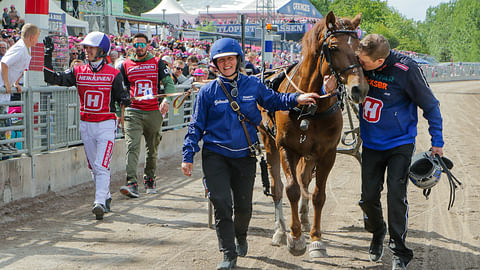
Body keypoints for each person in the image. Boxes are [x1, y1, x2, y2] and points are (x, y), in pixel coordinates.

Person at [181, 38, 321, 270]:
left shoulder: (252, 86)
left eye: (230, 58)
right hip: (215, 155)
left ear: (238, 59)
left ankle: (241, 236)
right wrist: (188, 154)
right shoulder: (207, 92)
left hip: (244, 155)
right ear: (215, 64)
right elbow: (195, 126)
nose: (226, 63)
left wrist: (297, 98)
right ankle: (228, 253)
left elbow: (274, 100)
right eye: (221, 60)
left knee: (243, 208)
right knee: (222, 204)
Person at [355, 34, 444, 270]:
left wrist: (437, 141)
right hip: (371, 144)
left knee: (396, 197)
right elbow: (340, 88)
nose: (359, 65)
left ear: (380, 60)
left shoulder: (407, 70)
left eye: (364, 62)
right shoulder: (359, 64)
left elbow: (431, 106)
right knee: (368, 197)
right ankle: (377, 232)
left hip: (399, 144)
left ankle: (399, 251)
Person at [43, 31, 131, 220]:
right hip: (86, 125)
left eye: (91, 47)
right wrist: (47, 54)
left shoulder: (114, 75)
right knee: (93, 167)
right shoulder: (78, 71)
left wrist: (125, 99)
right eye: (86, 47)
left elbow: (121, 97)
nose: (87, 50)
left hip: (106, 125)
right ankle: (106, 196)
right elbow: (52, 78)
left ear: (101, 50)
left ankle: (98, 202)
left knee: (101, 165)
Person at [119, 32, 176, 198]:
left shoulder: (157, 62)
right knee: (132, 146)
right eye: (136, 44)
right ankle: (131, 182)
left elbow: (169, 84)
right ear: (132, 45)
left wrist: (166, 100)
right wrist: (117, 112)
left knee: (152, 148)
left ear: (148, 45)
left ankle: (150, 178)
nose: (139, 47)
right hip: (133, 111)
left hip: (153, 111)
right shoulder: (125, 65)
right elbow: (119, 90)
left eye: (142, 44)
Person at [0, 23, 39, 155]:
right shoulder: (20, 48)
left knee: (6, 118)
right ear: (32, 37)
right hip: (2, 85)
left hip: (8, 87)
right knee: (2, 117)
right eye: (37, 37)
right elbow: (4, 63)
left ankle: (5, 144)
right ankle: (2, 144)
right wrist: (6, 83)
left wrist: (16, 83)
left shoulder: (27, 50)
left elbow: (21, 69)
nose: (37, 41)